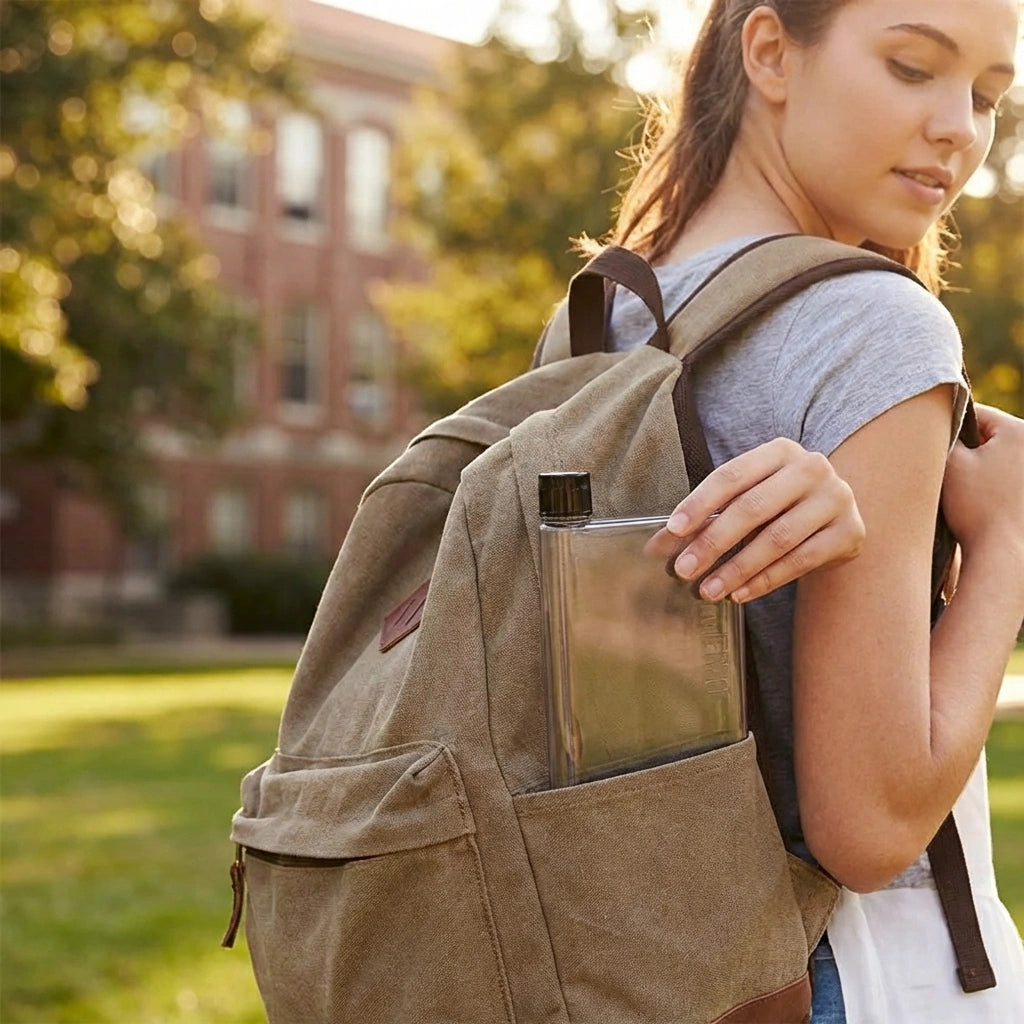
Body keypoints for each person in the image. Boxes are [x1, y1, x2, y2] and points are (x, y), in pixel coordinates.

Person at [595, 1, 1024, 1021]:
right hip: (835, 971)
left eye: (987, 95)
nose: (958, 127)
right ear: (771, 51)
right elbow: (868, 828)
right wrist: (1008, 541)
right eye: (914, 68)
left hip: (629, 962)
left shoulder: (600, 321)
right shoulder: (872, 326)